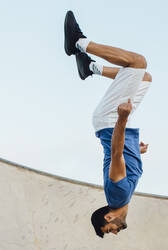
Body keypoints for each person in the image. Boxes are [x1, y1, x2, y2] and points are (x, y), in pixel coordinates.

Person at [64, 11, 152, 238]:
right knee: (144, 77)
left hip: (111, 121)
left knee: (137, 62)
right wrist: (137, 151)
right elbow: (123, 158)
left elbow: (115, 154)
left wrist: (122, 119)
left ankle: (79, 42)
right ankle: (91, 68)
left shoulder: (118, 196)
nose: (115, 232)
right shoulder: (125, 195)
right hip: (113, 125)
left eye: (109, 229)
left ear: (109, 217)